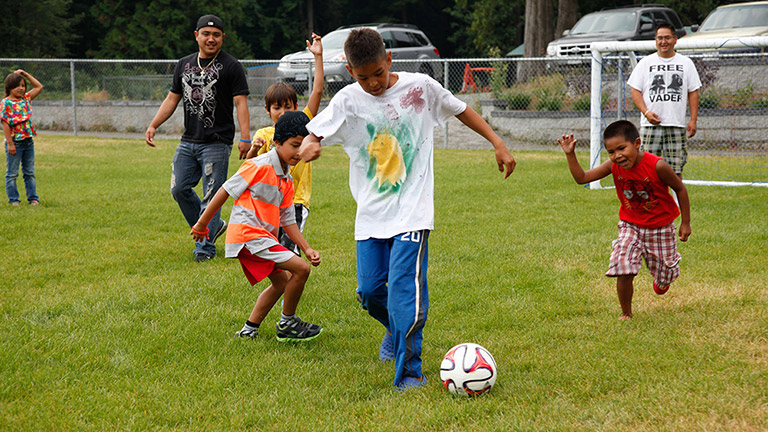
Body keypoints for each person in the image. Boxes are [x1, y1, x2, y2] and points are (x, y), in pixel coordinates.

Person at [298, 28, 516, 389]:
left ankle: (410, 373)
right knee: (369, 292)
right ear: (351, 72)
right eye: (363, 77)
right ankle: (394, 331)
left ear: (389, 61)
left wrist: (497, 142)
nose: (373, 83)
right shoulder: (348, 100)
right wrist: (310, 144)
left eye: (378, 74)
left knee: (404, 292)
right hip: (370, 214)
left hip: (412, 211)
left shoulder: (420, 88)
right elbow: (315, 130)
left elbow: (461, 110)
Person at [191, 111, 323, 342]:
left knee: (282, 281)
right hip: (248, 235)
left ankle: (249, 330)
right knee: (301, 269)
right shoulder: (258, 165)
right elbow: (224, 191)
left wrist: (307, 247)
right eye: (294, 145)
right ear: (277, 142)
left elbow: (288, 221)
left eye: (303, 147)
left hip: (263, 238)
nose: (298, 152)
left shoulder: (287, 180)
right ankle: (287, 323)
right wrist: (202, 224)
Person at [558, 120, 691, 320]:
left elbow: (680, 189)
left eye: (622, 148)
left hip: (661, 227)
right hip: (631, 225)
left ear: (637, 143)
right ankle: (626, 314)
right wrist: (570, 154)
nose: (617, 155)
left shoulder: (658, 166)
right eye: (611, 152)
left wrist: (686, 222)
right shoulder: (613, 166)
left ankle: (663, 280)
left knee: (666, 273)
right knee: (623, 267)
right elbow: (582, 178)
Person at [145, 14, 251, 262]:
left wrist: (245, 137)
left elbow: (241, 103)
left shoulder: (231, 66)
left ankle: (204, 249)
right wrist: (153, 124)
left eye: (216, 35)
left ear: (222, 37)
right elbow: (172, 98)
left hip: (217, 141)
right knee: (178, 188)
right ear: (197, 36)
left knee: (211, 196)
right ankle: (211, 227)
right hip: (188, 141)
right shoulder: (184, 64)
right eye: (206, 34)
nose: (211, 39)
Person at [245, 32, 324, 256]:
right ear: (267, 110)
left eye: (288, 107)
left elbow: (317, 90)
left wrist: (318, 56)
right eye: (276, 108)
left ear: (296, 107)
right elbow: (249, 168)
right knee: (274, 251)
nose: (282, 113)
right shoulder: (263, 133)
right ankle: (283, 285)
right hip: (270, 201)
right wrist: (253, 148)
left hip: (296, 201)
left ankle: (291, 284)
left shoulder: (302, 124)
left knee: (290, 252)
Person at [628, 22, 701, 179]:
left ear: (675, 39)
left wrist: (693, 120)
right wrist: (646, 113)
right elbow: (635, 91)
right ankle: (651, 202)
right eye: (660, 38)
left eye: (667, 38)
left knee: (675, 170)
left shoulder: (686, 63)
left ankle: (674, 203)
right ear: (655, 40)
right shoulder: (645, 63)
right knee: (646, 168)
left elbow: (693, 92)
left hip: (676, 124)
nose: (663, 41)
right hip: (650, 125)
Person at [2, 70, 43, 206]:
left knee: (29, 172)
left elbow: (39, 87)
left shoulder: (26, 99)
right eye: (17, 86)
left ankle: (33, 198)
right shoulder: (5, 103)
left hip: (28, 141)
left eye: (23, 85)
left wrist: (25, 74)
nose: (21, 88)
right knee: (12, 174)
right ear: (9, 87)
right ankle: (14, 200)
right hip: (15, 143)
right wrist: (10, 144)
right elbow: (5, 124)